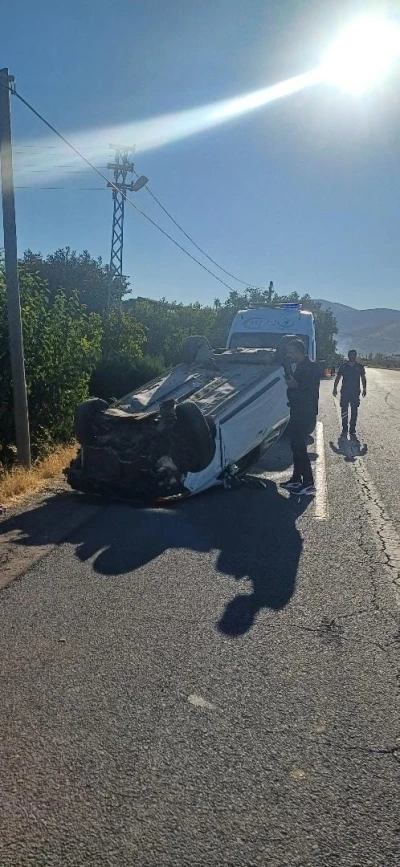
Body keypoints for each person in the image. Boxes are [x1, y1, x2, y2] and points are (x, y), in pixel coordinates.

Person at [281, 338, 320, 496]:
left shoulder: (312, 366)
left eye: (290, 351)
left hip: (306, 412)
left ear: (298, 351)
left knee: (300, 447)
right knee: (295, 445)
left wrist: (296, 386)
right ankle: (296, 479)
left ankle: (309, 482)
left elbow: (312, 390)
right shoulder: (297, 366)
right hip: (296, 411)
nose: (288, 355)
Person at [333, 350, 366, 438]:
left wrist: (364, 388)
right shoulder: (343, 366)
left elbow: (363, 378)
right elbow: (338, 377)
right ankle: (344, 428)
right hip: (345, 392)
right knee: (344, 410)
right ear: (348, 356)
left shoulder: (359, 367)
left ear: (356, 356)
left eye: (354, 355)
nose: (352, 356)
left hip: (355, 393)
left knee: (354, 410)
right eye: (350, 355)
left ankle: (352, 429)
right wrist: (335, 388)